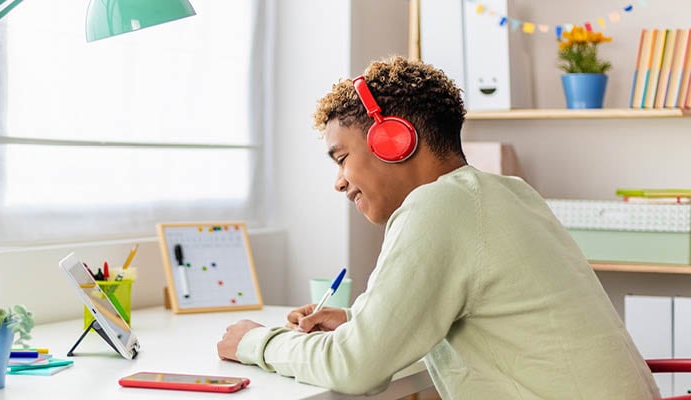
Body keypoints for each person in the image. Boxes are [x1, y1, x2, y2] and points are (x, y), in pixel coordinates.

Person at [217, 56, 659, 398]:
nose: (339, 181)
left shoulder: (438, 206)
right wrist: (357, 320)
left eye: (341, 158)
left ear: (392, 139)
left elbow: (357, 370)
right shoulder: (508, 192)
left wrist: (257, 342)